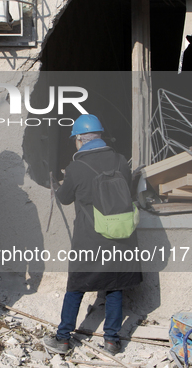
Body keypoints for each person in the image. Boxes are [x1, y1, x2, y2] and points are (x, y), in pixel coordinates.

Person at [43, 114, 142, 356]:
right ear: (99, 136)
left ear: (79, 139)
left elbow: (65, 198)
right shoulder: (120, 161)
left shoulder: (77, 167)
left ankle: (63, 339)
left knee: (76, 287)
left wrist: (61, 182)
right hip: (121, 237)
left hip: (90, 239)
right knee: (115, 287)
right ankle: (111, 341)